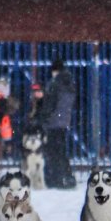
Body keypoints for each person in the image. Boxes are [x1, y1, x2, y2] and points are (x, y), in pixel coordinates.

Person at [36, 59, 77, 188]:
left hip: (53, 122)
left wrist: (42, 118)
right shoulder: (69, 83)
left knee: (52, 153)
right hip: (63, 121)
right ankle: (68, 178)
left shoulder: (55, 84)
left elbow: (50, 105)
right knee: (61, 151)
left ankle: (55, 179)